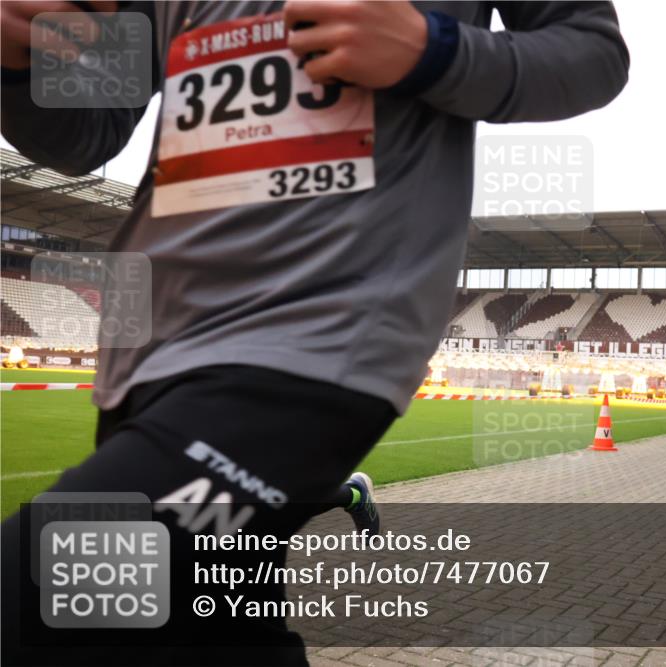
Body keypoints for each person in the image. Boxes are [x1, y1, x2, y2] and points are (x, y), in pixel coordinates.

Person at [0, 2, 629, 665]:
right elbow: (83, 135)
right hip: (150, 349)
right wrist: (20, 60)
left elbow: (592, 52)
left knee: (37, 596)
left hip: (318, 331)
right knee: (222, 631)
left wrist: (432, 49)